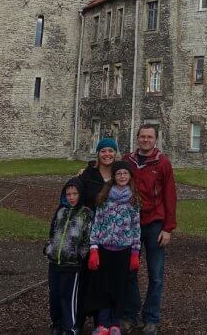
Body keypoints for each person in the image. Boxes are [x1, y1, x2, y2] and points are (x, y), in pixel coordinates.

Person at [123, 124, 177, 334]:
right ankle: (130, 314)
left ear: (156, 140)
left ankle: (152, 318)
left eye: (149, 137)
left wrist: (168, 228)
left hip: (155, 223)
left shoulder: (163, 163)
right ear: (137, 138)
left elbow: (170, 196)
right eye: (142, 136)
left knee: (155, 275)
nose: (145, 140)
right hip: (131, 224)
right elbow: (111, 179)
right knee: (129, 272)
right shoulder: (128, 161)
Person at [87, 161, 142, 335]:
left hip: (123, 249)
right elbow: (97, 223)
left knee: (119, 288)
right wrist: (94, 247)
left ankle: (115, 324)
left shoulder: (133, 200)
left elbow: (136, 227)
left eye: (125, 174)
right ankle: (103, 323)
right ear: (114, 177)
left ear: (130, 176)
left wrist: (135, 251)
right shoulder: (104, 198)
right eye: (119, 174)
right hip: (105, 247)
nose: (122, 177)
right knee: (104, 287)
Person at [78, 138, 119, 330]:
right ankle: (78, 319)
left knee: (105, 278)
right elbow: (76, 193)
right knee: (87, 276)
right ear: (98, 154)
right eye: (103, 151)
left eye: (111, 150)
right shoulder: (88, 174)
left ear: (116, 153)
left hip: (111, 235)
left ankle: (102, 321)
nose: (107, 154)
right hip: (89, 233)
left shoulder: (120, 174)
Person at [45, 178, 94, 335]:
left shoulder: (86, 213)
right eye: (68, 194)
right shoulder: (61, 212)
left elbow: (87, 239)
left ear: (80, 194)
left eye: (75, 194)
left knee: (68, 298)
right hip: (54, 262)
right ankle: (56, 324)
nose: (71, 197)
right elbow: (53, 233)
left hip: (72, 264)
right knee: (55, 295)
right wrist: (49, 248)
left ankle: (70, 327)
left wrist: (79, 255)